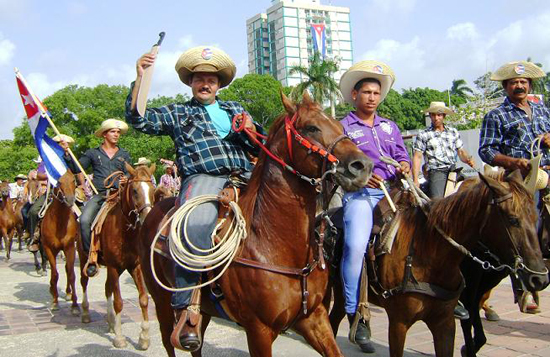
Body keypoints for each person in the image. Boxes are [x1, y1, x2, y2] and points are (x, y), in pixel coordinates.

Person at [126, 45, 264, 351]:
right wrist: (139, 78)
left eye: (211, 79)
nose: (205, 83)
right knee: (195, 225)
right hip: (203, 179)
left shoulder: (236, 110)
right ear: (191, 82)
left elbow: (260, 145)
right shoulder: (179, 112)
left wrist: (253, 132)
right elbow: (138, 119)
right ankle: (187, 308)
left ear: (219, 84)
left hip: (243, 177)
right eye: (199, 78)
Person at [338, 60, 411, 353]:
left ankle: (447, 296)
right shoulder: (343, 126)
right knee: (356, 247)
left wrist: (404, 164)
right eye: (366, 92)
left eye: (376, 93)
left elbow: (401, 154)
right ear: (355, 96)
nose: (371, 97)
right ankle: (355, 311)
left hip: (397, 192)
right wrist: (361, 180)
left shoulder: (389, 126)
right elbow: (337, 167)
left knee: (438, 223)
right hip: (361, 196)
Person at [479, 60, 550, 314]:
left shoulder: (543, 111)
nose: (519, 85)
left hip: (546, 174)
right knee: (526, 228)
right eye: (513, 83)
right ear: (506, 87)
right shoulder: (496, 115)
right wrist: (514, 161)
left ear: (529, 85)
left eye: (523, 82)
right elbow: (486, 150)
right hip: (518, 178)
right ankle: (524, 289)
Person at [79, 119, 132, 277]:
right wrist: (67, 153)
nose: (116, 134)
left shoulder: (124, 154)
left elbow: (129, 171)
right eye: (113, 132)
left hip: (119, 195)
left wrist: (127, 178)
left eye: (118, 132)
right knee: (84, 220)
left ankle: (141, 251)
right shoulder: (92, 153)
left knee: (142, 215)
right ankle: (91, 257)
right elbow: (77, 167)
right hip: (101, 195)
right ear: (104, 134)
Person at [412, 102, 475, 198]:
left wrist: (468, 159)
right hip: (436, 172)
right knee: (438, 202)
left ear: (444, 116)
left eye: (439, 115)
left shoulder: (453, 132)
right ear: (430, 116)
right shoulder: (424, 134)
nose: (436, 118)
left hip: (454, 170)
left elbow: (461, 151)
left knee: (474, 189)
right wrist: (415, 179)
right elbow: (417, 156)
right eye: (433, 115)